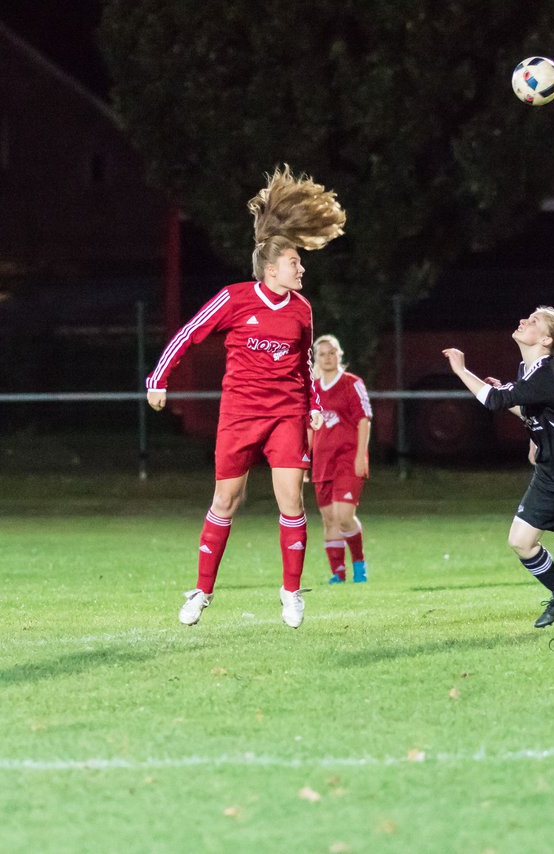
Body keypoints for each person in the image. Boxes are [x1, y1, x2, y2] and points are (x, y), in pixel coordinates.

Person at [146, 165, 346, 629]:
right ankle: (201, 591)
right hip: (239, 415)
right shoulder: (234, 298)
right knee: (226, 501)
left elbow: (303, 365)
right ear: (272, 268)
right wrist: (158, 378)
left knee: (291, 502)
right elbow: (189, 334)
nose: (302, 268)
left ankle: (292, 594)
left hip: (286, 415)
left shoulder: (302, 309)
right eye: (296, 262)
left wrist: (314, 406)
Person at [443, 306, 554, 631]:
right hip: (551, 472)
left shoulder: (547, 372)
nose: (523, 321)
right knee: (521, 540)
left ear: (546, 339)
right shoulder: (529, 370)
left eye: (533, 321)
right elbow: (529, 412)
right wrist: (512, 401)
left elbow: (494, 401)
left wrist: (461, 370)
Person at [308, 334, 372, 584]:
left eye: (331, 352)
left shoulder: (351, 383)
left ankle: (359, 565)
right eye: (322, 353)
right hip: (322, 462)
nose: (327, 357)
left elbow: (363, 419)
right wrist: (305, 459)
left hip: (347, 459)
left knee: (344, 515)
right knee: (329, 519)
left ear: (339, 355)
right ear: (316, 358)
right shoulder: (311, 388)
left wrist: (360, 455)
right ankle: (338, 573)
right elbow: (310, 427)